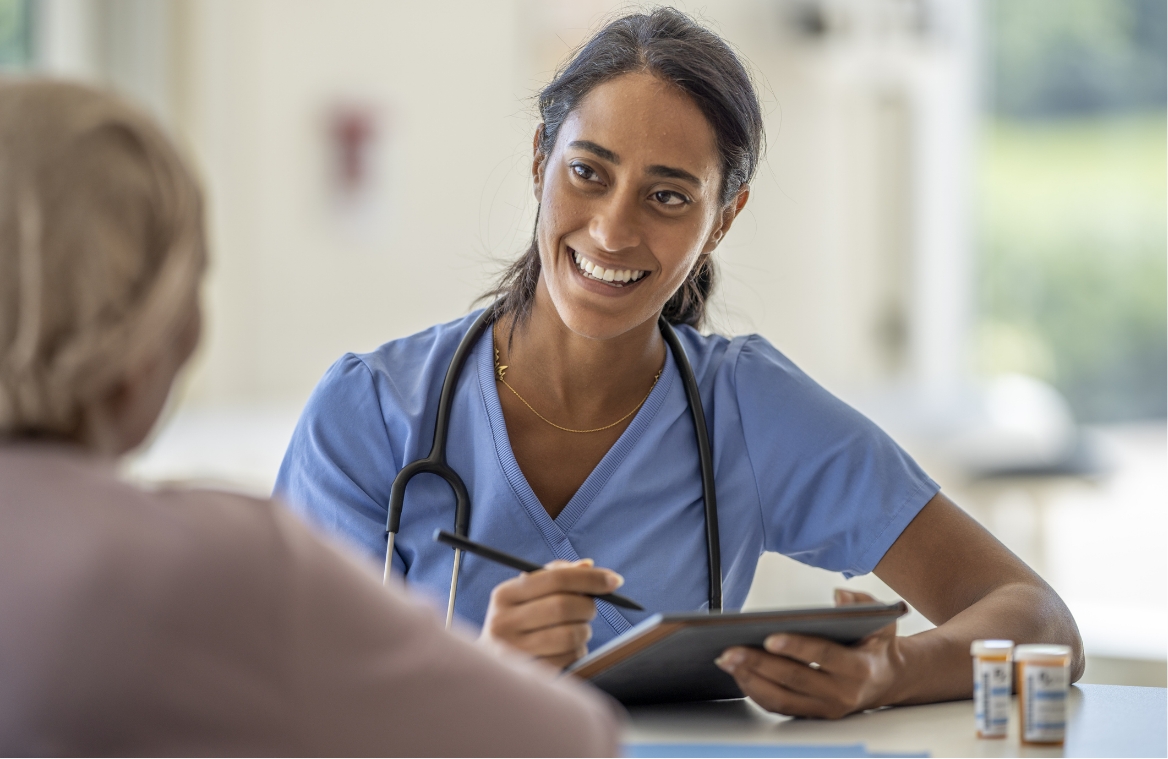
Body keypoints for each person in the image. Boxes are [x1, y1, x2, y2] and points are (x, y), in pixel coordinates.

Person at [275, 8, 1084, 719]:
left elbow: (1037, 618)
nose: (613, 230)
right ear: (538, 162)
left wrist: (891, 669)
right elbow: (269, 695)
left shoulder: (748, 409)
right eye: (588, 172)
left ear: (722, 219)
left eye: (667, 196)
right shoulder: (373, 412)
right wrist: (474, 676)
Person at [0, 79, 620, 756]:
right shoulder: (212, 564)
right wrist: (492, 666)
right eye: (190, 282)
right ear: (145, 335)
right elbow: (566, 738)